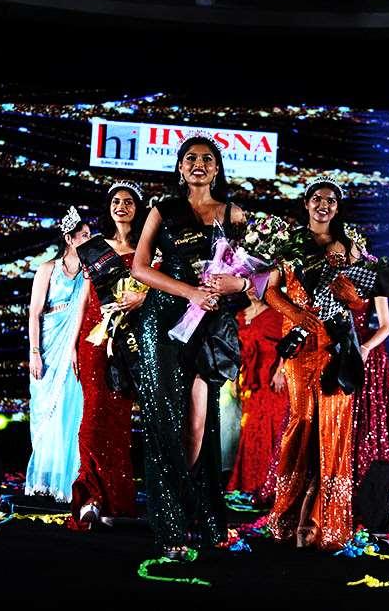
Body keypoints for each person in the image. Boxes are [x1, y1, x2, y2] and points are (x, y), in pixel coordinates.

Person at [132, 135, 247, 559]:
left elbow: (255, 277)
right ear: (180, 167)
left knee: (200, 423)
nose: (199, 164)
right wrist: (189, 291)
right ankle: (172, 526)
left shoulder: (233, 213)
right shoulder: (163, 209)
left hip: (208, 323)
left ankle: (200, 511)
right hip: (163, 320)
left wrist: (236, 283)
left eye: (207, 159)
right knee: (164, 419)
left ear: (217, 168)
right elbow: (139, 267)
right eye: (191, 158)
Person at [264, 176, 366, 551]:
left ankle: (323, 520)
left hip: (336, 345)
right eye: (317, 199)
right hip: (302, 343)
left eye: (331, 201)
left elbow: (360, 303)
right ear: (306, 204)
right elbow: (268, 290)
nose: (324, 205)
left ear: (337, 208)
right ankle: (290, 514)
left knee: (333, 426)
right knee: (303, 421)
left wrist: (350, 294)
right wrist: (295, 313)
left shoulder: (349, 247)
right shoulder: (290, 244)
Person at [68, 181, 147, 529]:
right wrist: (73, 344)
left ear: (138, 209)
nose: (121, 206)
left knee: (117, 419)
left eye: (128, 202)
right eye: (116, 201)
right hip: (94, 337)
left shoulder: (148, 250)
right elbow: (85, 297)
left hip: (128, 339)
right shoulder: (95, 248)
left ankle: (115, 499)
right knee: (91, 417)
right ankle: (90, 496)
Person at [26, 206, 90, 502]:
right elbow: (35, 313)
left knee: (71, 408)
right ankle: (46, 478)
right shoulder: (48, 269)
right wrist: (35, 352)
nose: (88, 239)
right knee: (48, 410)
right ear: (69, 238)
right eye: (84, 235)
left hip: (75, 345)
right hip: (50, 343)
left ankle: (69, 480)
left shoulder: (89, 273)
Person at [226, 286, 288, 495]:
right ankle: (250, 483)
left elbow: (290, 344)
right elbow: (236, 352)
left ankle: (270, 485)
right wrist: (235, 378)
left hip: (272, 381)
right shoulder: (239, 316)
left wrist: (281, 371)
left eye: (258, 285)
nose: (253, 289)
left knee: (271, 429)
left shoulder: (277, 315)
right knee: (251, 429)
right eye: (249, 285)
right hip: (250, 381)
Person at [352, 296, 389, 488]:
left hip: (365, 351)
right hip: (339, 347)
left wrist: (365, 348)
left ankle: (363, 475)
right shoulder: (334, 280)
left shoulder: (376, 283)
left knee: (366, 416)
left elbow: (386, 326)